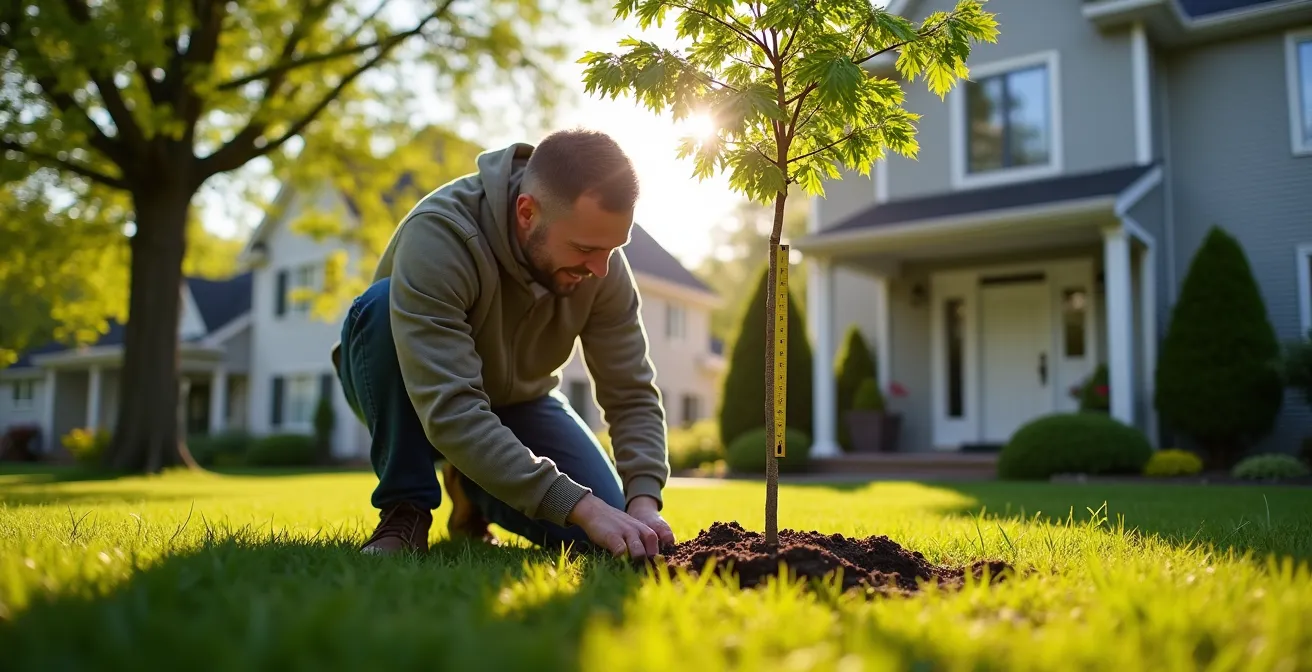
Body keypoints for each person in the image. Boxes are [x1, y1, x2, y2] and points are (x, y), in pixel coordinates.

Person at [331, 128, 675, 560]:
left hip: (520, 402)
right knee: (380, 305)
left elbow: (631, 391)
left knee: (604, 535)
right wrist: (577, 504)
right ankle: (406, 509)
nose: (601, 269)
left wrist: (642, 500)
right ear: (527, 212)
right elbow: (450, 406)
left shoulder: (602, 266)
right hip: (413, 394)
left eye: (612, 248)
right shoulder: (442, 233)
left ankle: (472, 485)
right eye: (586, 248)